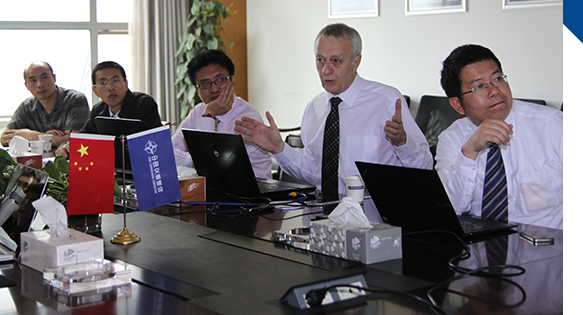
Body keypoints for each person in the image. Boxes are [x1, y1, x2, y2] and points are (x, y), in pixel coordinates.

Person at [235, 23, 433, 199]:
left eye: (335, 61)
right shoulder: (314, 108)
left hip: (375, 217)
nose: (325, 70)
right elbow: (315, 173)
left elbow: (425, 166)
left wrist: (402, 142)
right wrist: (279, 148)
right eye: (320, 60)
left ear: (356, 62)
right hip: (324, 214)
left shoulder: (386, 101)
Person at [436, 44, 563, 229]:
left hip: (548, 242)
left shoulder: (552, 125)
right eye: (479, 86)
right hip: (480, 243)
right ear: (458, 105)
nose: (494, 90)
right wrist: (469, 152)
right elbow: (450, 209)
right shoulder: (452, 139)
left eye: (497, 79)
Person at [172, 50, 272, 180]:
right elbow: (168, 153)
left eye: (220, 80)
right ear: (197, 89)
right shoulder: (199, 111)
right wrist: (192, 159)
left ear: (232, 80)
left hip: (253, 187)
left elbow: (212, 167)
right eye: (205, 84)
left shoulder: (246, 117)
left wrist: (209, 115)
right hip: (215, 187)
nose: (214, 89)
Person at [55, 61, 162, 157]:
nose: (111, 87)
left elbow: (156, 143)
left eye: (115, 80)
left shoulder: (143, 103)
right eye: (103, 83)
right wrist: (67, 146)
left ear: (125, 84)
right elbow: (82, 137)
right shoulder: (98, 111)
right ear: (96, 91)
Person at [0, 61, 89, 148]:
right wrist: (46, 137)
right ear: (26, 85)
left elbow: (76, 140)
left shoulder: (75, 99)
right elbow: (4, 139)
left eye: (44, 78)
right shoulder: (27, 106)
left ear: (54, 78)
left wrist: (29, 135)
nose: (40, 84)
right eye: (33, 80)